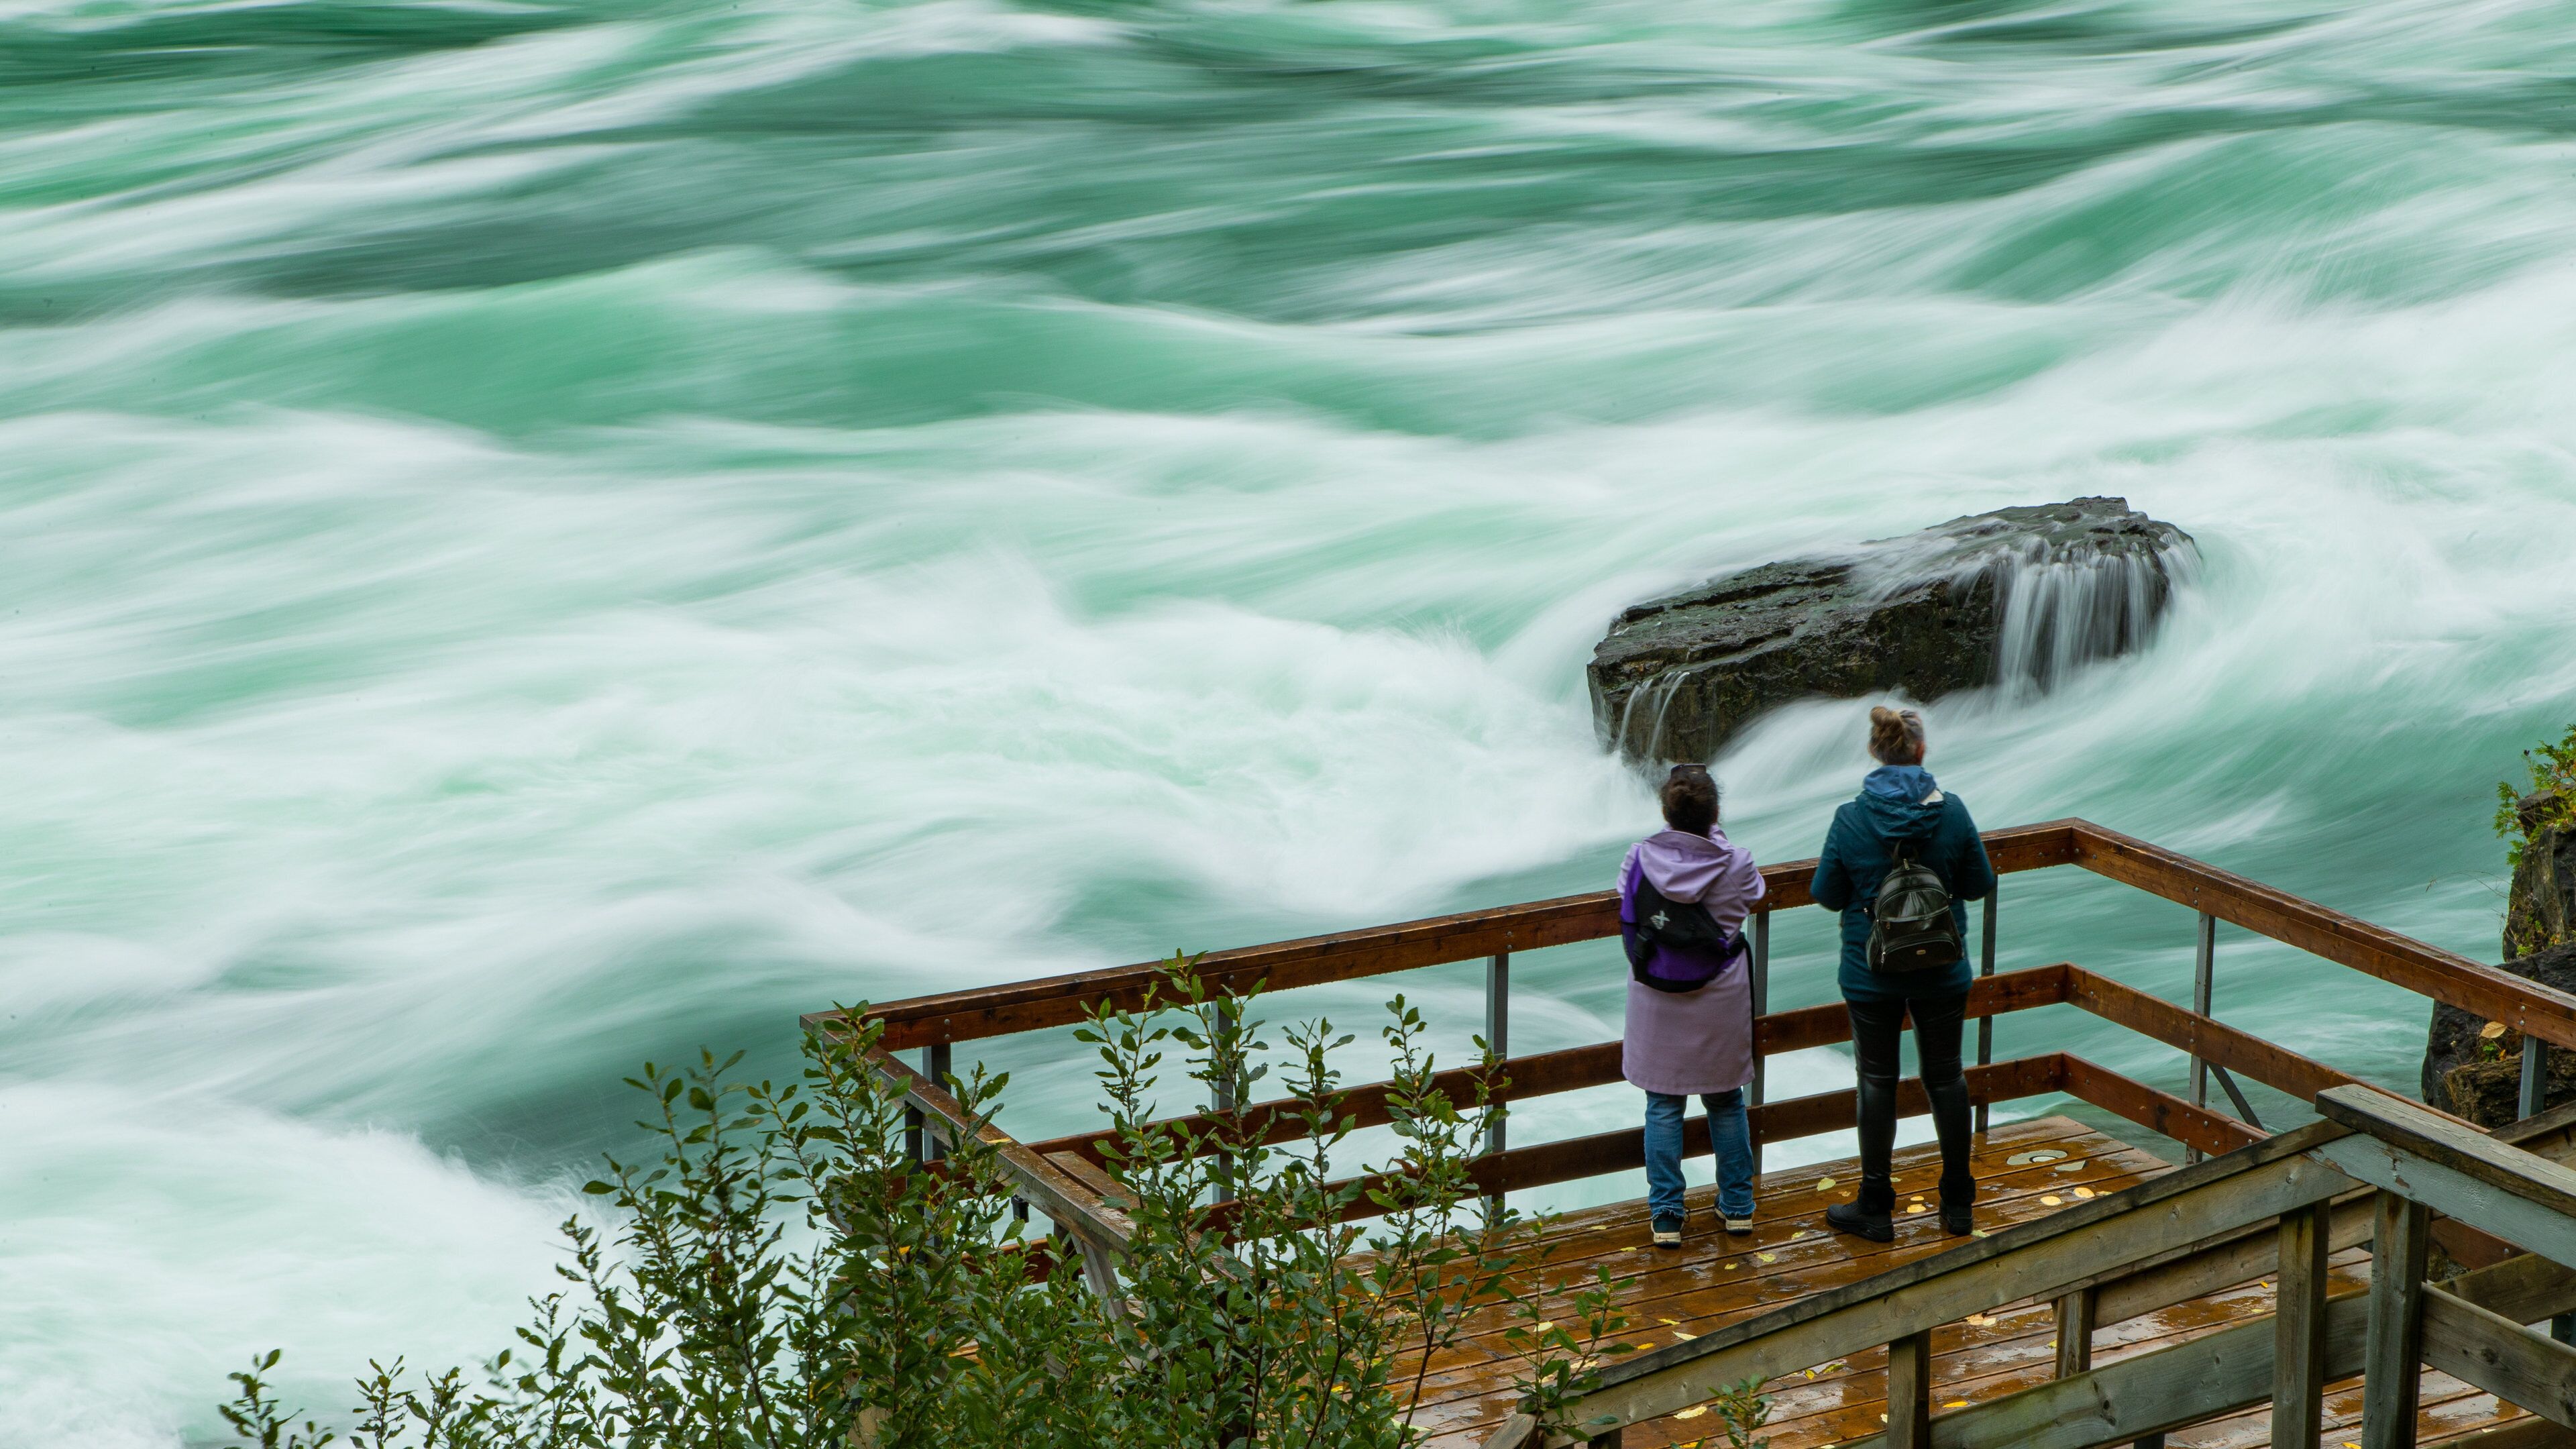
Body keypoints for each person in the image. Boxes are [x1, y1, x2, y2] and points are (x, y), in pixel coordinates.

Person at [1813, 706, 1996, 1242]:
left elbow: (1825, 894)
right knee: (1946, 1076)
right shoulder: (1954, 812)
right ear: (1920, 752)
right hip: (1942, 968)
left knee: (1877, 1080)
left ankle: (1876, 1206)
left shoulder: (1851, 817)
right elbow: (1979, 883)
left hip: (1872, 973)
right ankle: (1957, 1203)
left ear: (1875, 752)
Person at [1619, 763, 1764, 1249]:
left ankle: (1666, 1215)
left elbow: (1628, 908)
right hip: (1718, 995)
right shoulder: (1737, 863)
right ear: (1716, 813)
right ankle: (1738, 1206)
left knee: (1663, 1103)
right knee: (1725, 1100)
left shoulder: (1638, 857)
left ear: (1665, 811)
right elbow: (1755, 898)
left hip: (1656, 994)